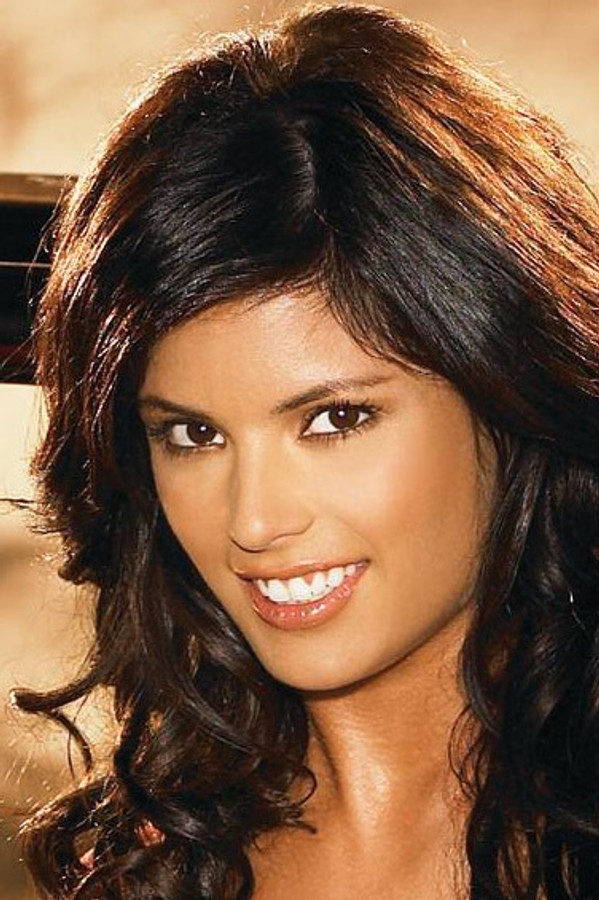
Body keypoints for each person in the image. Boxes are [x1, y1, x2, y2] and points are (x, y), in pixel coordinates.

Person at [12, 4, 599, 899]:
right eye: (194, 434)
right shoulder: (140, 865)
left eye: (334, 420)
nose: (253, 521)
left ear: (506, 395)